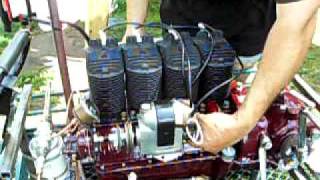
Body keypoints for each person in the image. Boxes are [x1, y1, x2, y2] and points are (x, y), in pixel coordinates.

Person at [124, 0, 320, 154]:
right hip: (178, 30)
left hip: (240, 42)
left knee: (223, 121)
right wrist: (134, 26)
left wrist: (242, 121)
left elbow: (299, 18)